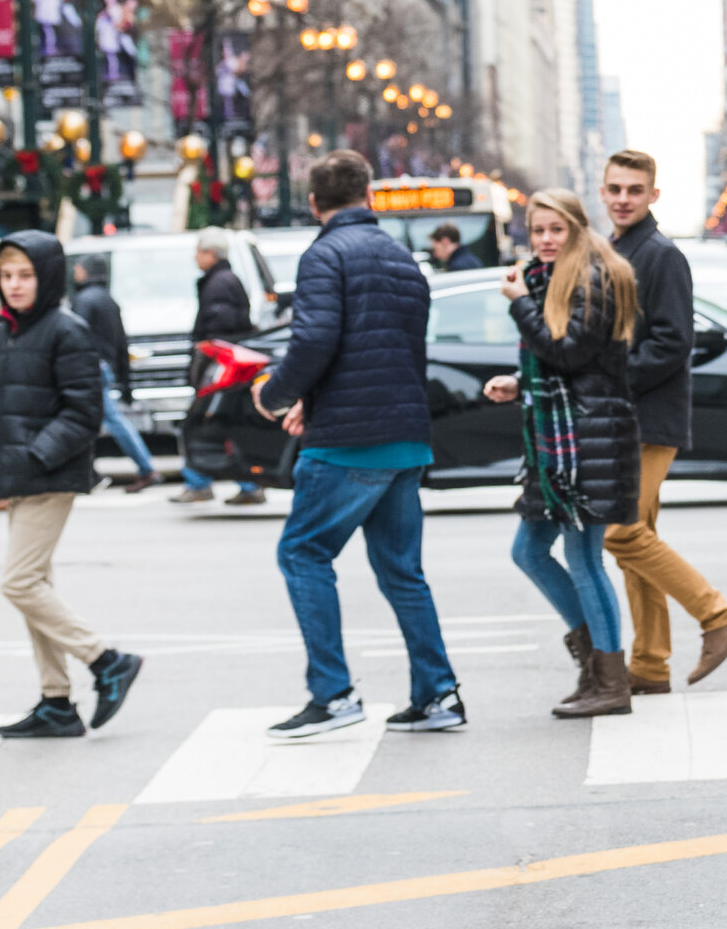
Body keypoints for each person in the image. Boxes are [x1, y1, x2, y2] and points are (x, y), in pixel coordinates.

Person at [252, 151, 466, 737]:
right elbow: (385, 350)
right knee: (402, 571)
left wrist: (276, 395)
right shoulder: (403, 260)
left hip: (350, 441)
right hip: (404, 435)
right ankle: (437, 693)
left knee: (302, 553)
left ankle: (334, 692)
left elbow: (317, 340)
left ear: (315, 203)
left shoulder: (324, 255)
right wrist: (313, 402)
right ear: (368, 195)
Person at [0, 232, 145, 738]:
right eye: (7, 276)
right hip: (21, 475)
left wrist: (35, 455)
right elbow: (2, 406)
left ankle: (106, 659)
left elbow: (84, 412)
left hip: (50, 476)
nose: (15, 285)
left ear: (46, 275)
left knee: (18, 582)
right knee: (36, 587)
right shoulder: (7, 332)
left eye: (25, 275)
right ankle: (56, 702)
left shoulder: (66, 330)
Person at [481, 191, 642, 719]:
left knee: (583, 559)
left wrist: (518, 306)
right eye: (538, 230)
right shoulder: (549, 279)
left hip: (587, 442)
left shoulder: (595, 275)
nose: (546, 240)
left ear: (576, 227)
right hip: (560, 441)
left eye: (556, 229)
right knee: (528, 551)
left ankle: (611, 679)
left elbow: (570, 351)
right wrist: (518, 382)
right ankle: (594, 666)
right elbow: (561, 361)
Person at [598, 150, 727, 693]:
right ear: (603, 192)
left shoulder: (660, 255)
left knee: (620, 533)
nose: (623, 198)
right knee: (639, 537)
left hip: (648, 418)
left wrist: (609, 381)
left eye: (634, 190)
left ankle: (718, 615)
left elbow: (672, 342)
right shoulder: (620, 249)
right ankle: (649, 663)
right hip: (627, 417)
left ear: (653, 196)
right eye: (615, 189)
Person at [175, 229, 265, 505]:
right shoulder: (224, 280)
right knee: (218, 426)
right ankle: (243, 484)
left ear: (210, 254)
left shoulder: (219, 283)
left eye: (198, 252)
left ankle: (202, 482)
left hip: (221, 370)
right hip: (226, 369)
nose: (195, 257)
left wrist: (206, 361)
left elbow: (218, 332)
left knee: (203, 425)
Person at [73, 256, 161, 492]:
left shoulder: (84, 299)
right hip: (104, 367)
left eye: (78, 268)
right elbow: (122, 343)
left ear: (87, 271)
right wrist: (125, 380)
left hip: (90, 368)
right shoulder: (108, 300)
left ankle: (145, 469)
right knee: (100, 419)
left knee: (106, 419)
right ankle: (90, 472)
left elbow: (76, 339)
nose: (75, 272)